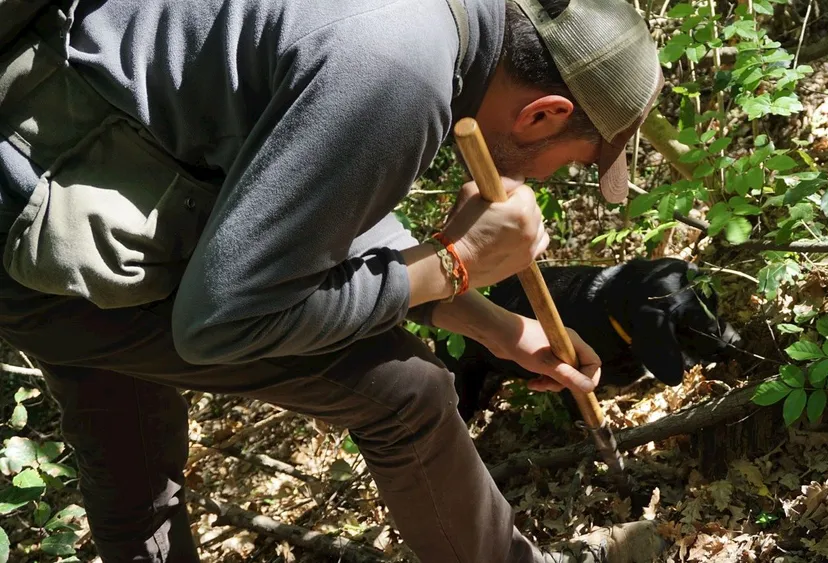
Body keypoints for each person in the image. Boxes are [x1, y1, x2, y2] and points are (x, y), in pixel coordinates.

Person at [0, 0, 665, 560]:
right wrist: (452, 261)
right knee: (404, 389)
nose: (549, 179)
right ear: (543, 114)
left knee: (124, 422)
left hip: (67, 187)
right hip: (50, 228)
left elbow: (304, 207)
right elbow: (223, 320)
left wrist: (495, 325)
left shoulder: (416, 27)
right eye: (574, 161)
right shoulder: (400, 71)